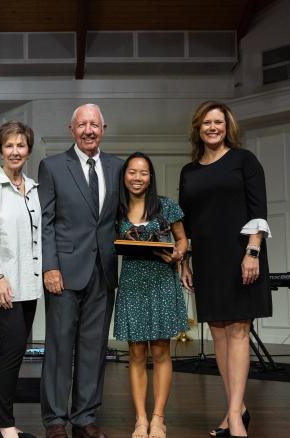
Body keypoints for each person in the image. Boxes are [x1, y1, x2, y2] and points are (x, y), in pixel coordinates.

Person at [178, 101, 271, 438]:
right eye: (206, 123)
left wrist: (252, 252)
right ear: (198, 128)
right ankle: (238, 408)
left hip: (240, 253)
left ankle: (233, 417)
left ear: (227, 126)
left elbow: (259, 210)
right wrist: (184, 260)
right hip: (206, 258)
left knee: (238, 331)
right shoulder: (189, 171)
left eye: (218, 122)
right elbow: (184, 222)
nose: (212, 127)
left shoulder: (244, 161)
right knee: (217, 332)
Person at [38, 104, 123, 438]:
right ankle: (55, 420)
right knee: (59, 347)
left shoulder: (118, 167)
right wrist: (50, 266)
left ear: (104, 128)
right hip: (64, 271)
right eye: (82, 124)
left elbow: (124, 216)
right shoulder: (53, 166)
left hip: (103, 270)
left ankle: (85, 416)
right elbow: (45, 222)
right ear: (70, 129)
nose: (89, 130)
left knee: (94, 347)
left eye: (95, 124)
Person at [113, 152, 189, 438]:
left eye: (143, 173)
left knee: (160, 350)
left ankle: (158, 417)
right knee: (135, 353)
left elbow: (182, 240)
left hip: (161, 283)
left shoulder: (166, 206)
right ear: (124, 176)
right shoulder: (117, 209)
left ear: (150, 177)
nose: (137, 178)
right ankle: (141, 419)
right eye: (132, 172)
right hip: (132, 283)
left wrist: (178, 254)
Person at [0, 121, 42, 438]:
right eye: (9, 145)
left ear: (28, 150)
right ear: (1, 150)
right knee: (13, 348)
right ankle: (5, 424)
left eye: (21, 145)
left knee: (16, 351)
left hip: (28, 285)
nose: (15, 151)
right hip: (1, 284)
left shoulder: (33, 188)